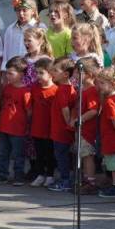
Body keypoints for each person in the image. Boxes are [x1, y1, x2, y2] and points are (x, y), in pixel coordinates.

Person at [0, 57, 32, 186]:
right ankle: (2, 174)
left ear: (21, 74)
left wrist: (26, 126)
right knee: (2, 153)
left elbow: (29, 111)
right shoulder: (7, 88)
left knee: (18, 154)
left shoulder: (25, 92)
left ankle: (18, 176)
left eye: (11, 73)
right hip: (4, 127)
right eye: (7, 73)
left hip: (18, 129)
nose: (7, 76)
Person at [95, 66, 115, 198]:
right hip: (113, 137)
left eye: (102, 83)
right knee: (113, 162)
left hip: (112, 137)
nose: (100, 86)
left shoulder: (110, 101)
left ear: (113, 84)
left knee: (113, 163)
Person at [70, 57, 101, 195]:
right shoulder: (82, 89)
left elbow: (94, 110)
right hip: (80, 129)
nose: (75, 75)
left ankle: (90, 181)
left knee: (87, 155)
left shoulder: (92, 90)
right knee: (82, 155)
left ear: (87, 74)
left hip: (87, 130)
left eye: (77, 72)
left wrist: (79, 119)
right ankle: (83, 178)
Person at [47, 57, 77, 192]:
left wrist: (68, 126)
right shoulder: (69, 88)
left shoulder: (63, 90)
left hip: (61, 131)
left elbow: (65, 110)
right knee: (63, 155)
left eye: (55, 70)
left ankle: (65, 181)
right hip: (61, 130)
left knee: (61, 155)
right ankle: (66, 179)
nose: (52, 72)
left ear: (65, 74)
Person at [28, 58, 57, 188]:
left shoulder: (56, 90)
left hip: (50, 129)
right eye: (36, 73)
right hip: (37, 127)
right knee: (39, 153)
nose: (38, 76)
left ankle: (50, 175)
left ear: (51, 74)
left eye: (41, 73)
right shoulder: (34, 88)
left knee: (49, 153)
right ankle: (40, 174)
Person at [1, 0, 44, 74]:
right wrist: (4, 72)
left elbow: (44, 50)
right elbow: (6, 54)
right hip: (14, 73)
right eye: (18, 10)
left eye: (24, 10)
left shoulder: (40, 27)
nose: (21, 13)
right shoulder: (10, 29)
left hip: (33, 72)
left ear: (33, 11)